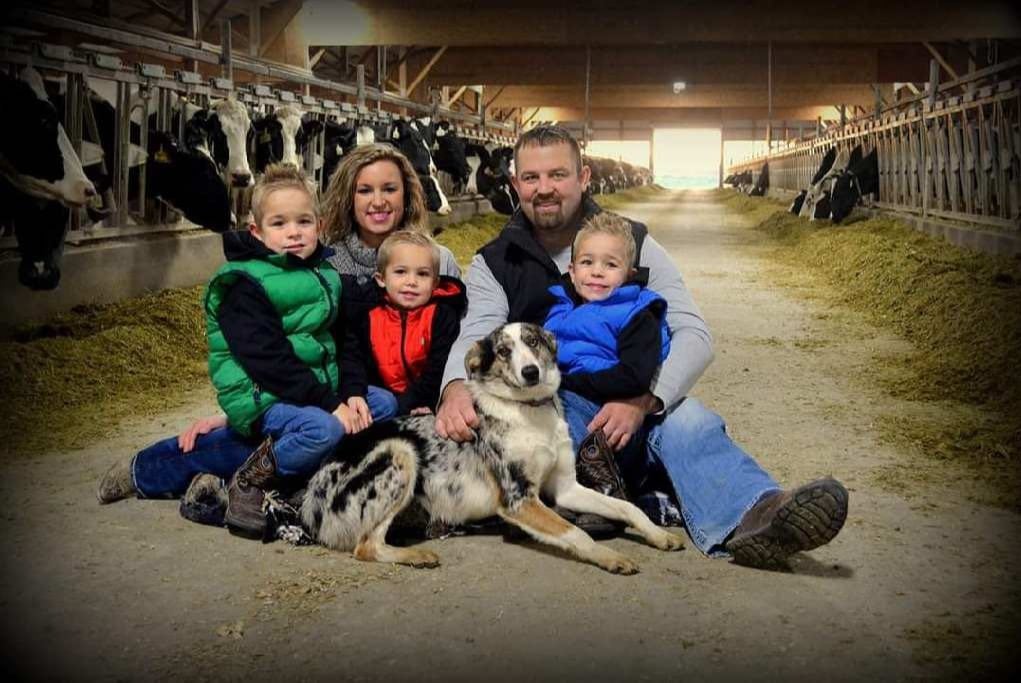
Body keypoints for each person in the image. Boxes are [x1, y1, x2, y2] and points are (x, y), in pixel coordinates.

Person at [435, 125, 848, 569]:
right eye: (531, 178)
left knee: (691, 421)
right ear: (515, 184)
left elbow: (694, 333)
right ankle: (638, 497)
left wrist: (643, 398)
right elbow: (476, 330)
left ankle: (757, 514)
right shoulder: (494, 261)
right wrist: (455, 385)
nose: (545, 189)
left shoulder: (633, 241)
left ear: (584, 177)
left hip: (638, 392)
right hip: (560, 406)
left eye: (558, 174)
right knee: (551, 434)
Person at [97, 146, 460, 518]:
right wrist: (240, 414)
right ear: (347, 197)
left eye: (390, 188)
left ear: (408, 192)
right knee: (314, 431)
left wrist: (364, 395)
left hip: (348, 390)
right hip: (296, 392)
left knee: (369, 411)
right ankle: (223, 479)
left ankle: (285, 479)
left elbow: (345, 345)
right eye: (364, 190)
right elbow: (274, 355)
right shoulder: (326, 263)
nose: (378, 200)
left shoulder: (432, 259)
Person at [542, 211, 671, 506]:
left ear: (629, 273)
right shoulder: (558, 310)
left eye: (610, 264)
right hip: (563, 396)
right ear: (572, 272)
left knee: (560, 414)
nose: (597, 272)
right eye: (587, 263)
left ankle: (599, 490)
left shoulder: (637, 313)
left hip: (609, 418)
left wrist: (566, 382)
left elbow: (633, 378)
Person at [339, 229, 467, 416]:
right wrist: (354, 393)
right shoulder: (367, 314)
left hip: (425, 399)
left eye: (422, 274)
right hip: (381, 398)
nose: (411, 281)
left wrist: (418, 403)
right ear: (381, 279)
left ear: (435, 283)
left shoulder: (441, 316)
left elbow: (438, 369)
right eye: (400, 272)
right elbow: (352, 358)